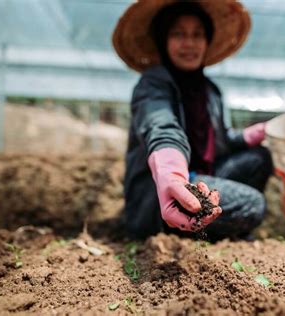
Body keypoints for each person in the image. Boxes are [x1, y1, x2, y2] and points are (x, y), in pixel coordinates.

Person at [112, 0, 273, 240]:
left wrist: (253, 133)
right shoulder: (153, 84)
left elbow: (219, 140)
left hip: (201, 174)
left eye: (198, 34)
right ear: (163, 41)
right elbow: (161, 125)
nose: (189, 43)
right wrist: (172, 173)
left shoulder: (210, 91)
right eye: (179, 34)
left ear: (207, 41)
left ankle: (212, 226)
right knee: (253, 205)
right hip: (161, 190)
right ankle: (191, 228)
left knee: (259, 158)